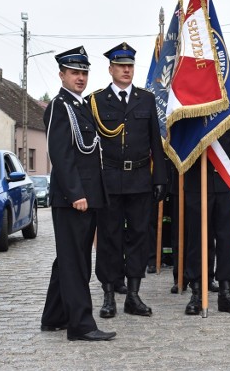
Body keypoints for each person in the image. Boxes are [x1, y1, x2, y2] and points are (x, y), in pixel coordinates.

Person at [40, 46, 115, 342]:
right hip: (74, 199)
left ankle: (54, 316)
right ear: (62, 75)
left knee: (70, 259)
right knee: (75, 262)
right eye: (74, 73)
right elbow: (61, 155)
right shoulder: (60, 106)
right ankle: (81, 325)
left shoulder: (80, 106)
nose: (80, 78)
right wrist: (76, 194)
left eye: (84, 72)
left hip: (88, 196)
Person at [89, 42, 167, 318]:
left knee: (139, 236)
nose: (126, 70)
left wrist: (159, 178)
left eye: (130, 66)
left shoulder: (145, 99)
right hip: (109, 178)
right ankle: (109, 294)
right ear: (110, 69)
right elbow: (89, 146)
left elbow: (155, 143)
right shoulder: (96, 101)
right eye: (121, 66)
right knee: (109, 237)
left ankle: (133, 295)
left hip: (139, 178)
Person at [182, 123, 230, 316]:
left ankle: (225, 293)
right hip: (197, 182)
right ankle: (196, 292)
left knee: (227, 239)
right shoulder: (192, 107)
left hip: (225, 182)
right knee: (196, 240)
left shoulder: (229, 110)